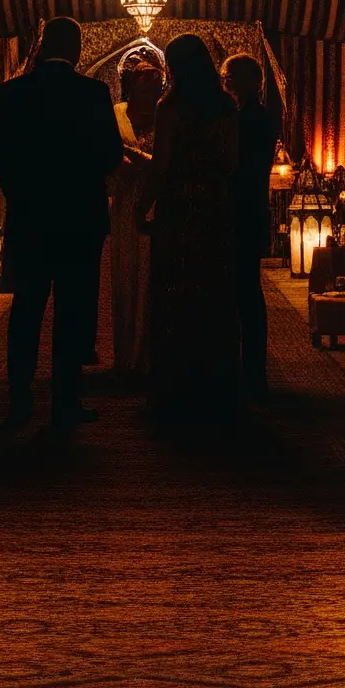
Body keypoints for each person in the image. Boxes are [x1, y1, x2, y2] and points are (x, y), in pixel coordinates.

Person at [0, 16, 123, 430]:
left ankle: (19, 399)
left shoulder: (14, 93)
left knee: (27, 307)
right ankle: (65, 401)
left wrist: (20, 192)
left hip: (31, 217)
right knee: (72, 310)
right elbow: (111, 155)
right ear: (78, 50)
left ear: (43, 46)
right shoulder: (94, 94)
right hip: (80, 219)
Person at [142, 34, 241, 421]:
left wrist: (142, 207)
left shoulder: (172, 109)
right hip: (216, 208)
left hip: (180, 209)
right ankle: (216, 389)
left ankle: (176, 390)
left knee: (176, 295)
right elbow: (232, 162)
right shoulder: (227, 108)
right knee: (214, 294)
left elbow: (161, 166)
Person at [221, 53, 280, 397]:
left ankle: (250, 373)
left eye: (228, 76)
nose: (223, 81)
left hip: (240, 210)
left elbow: (234, 166)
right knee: (247, 291)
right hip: (254, 208)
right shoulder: (263, 116)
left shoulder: (244, 119)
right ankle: (252, 369)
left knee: (243, 293)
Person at [108, 41, 166, 378]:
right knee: (126, 275)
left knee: (157, 275)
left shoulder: (168, 114)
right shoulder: (114, 115)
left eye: (154, 86)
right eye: (141, 84)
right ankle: (126, 355)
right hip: (126, 203)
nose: (149, 92)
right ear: (128, 83)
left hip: (161, 203)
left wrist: (144, 161)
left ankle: (154, 356)